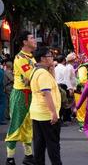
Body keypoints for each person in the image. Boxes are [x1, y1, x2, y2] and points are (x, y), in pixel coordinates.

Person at [5, 31, 37, 165]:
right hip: (21, 95)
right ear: (25, 42)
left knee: (28, 126)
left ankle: (28, 156)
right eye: (31, 38)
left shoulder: (31, 57)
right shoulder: (20, 58)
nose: (34, 40)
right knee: (16, 125)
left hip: (30, 94)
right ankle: (10, 158)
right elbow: (32, 75)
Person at [30, 46, 62, 164]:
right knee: (53, 144)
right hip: (46, 113)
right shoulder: (43, 74)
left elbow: (52, 83)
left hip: (38, 113)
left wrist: (52, 68)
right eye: (50, 56)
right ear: (43, 58)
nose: (52, 58)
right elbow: (46, 93)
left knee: (39, 144)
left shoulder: (38, 70)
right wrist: (53, 113)